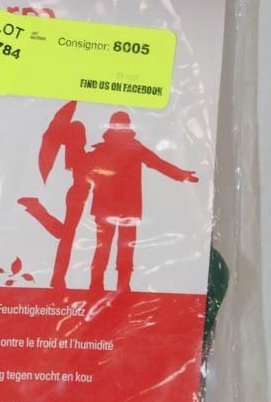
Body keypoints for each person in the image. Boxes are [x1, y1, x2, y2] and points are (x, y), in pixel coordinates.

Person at [87, 111, 198, 293]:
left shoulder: (118, 149)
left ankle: (105, 286)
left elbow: (157, 163)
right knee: (117, 248)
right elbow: (158, 163)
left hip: (113, 207)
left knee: (110, 248)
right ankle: (112, 286)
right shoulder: (127, 148)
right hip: (121, 207)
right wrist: (181, 174)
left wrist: (181, 174)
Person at [19, 101, 91, 290]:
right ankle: (57, 278)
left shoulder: (67, 152)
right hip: (78, 196)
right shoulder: (80, 153)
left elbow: (54, 130)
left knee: (65, 236)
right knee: (67, 237)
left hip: (74, 195)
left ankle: (37, 211)